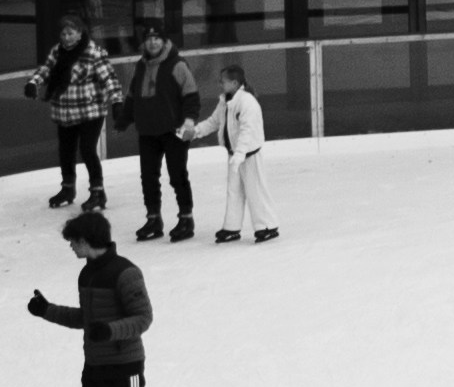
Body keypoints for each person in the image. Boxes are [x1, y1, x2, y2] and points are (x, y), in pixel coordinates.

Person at [26, 210, 153, 387]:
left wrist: (109, 331)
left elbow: (143, 318)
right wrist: (46, 310)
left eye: (73, 241)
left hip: (123, 369)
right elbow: (86, 320)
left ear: (85, 241)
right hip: (94, 371)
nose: (71, 247)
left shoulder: (126, 272)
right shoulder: (87, 275)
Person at [119, 24, 197, 242]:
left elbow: (191, 95)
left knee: (177, 175)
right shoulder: (140, 66)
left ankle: (186, 218)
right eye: (149, 38)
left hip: (174, 130)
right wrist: (124, 119)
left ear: (164, 41)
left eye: (157, 38)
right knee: (148, 177)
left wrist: (189, 120)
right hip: (148, 131)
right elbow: (132, 95)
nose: (152, 42)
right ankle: (153, 218)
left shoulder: (177, 64)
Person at [36, 28, 110, 212]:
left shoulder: (93, 53)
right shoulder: (57, 51)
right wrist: (33, 82)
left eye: (70, 33)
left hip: (90, 111)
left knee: (87, 149)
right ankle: (68, 189)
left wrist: (117, 101)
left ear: (79, 34)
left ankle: (98, 192)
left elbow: (109, 79)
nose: (66, 38)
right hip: (66, 111)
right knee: (66, 150)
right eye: (63, 34)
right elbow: (46, 70)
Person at [206, 60, 276, 243]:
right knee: (234, 191)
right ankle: (231, 227)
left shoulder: (247, 102)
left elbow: (247, 131)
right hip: (235, 154)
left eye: (223, 81)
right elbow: (214, 122)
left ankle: (267, 226)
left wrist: (240, 154)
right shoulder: (225, 101)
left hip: (249, 155)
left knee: (256, 190)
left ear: (235, 83)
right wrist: (195, 132)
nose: (220, 84)